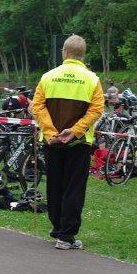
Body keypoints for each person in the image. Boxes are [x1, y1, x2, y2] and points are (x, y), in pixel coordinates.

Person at [31, 35, 104, 250]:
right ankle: (66, 235)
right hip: (78, 142)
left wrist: (50, 131)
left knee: (54, 185)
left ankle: (57, 228)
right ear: (83, 55)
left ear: (64, 52)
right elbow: (96, 110)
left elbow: (37, 106)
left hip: (52, 141)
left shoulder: (48, 77)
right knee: (74, 188)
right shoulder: (92, 79)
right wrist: (75, 131)